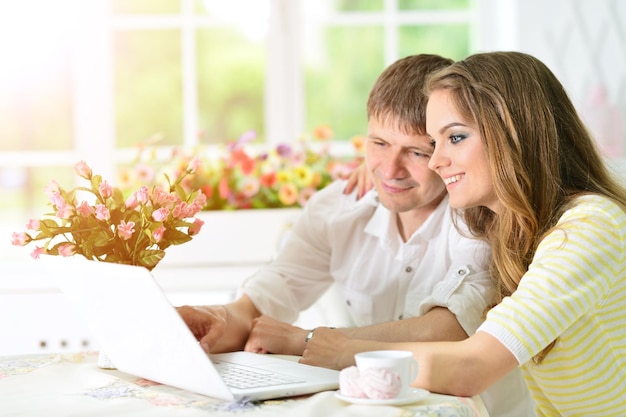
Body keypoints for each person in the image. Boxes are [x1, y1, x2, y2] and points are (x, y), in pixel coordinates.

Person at [178, 54, 533, 417]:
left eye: (415, 151)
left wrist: (310, 341)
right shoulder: (338, 208)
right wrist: (219, 317)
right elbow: (262, 303)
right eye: (379, 144)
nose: (390, 170)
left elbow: (452, 328)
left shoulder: (481, 213)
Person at [302, 51, 626, 416]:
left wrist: (344, 350)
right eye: (433, 144)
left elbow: (471, 367)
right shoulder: (515, 232)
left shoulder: (590, 227)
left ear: (514, 135)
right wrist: (383, 175)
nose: (437, 161)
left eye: (454, 138)